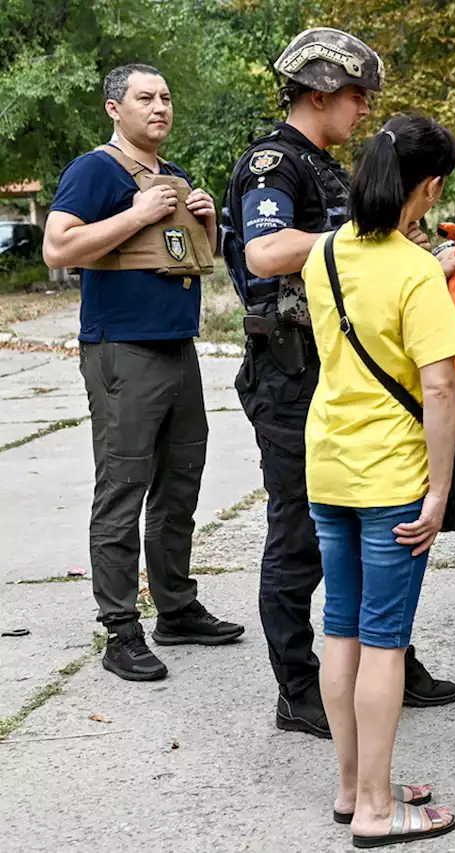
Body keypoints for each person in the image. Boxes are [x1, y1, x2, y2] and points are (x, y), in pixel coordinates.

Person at [221, 28, 455, 739]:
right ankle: (299, 686)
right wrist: (356, 244)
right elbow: (264, 253)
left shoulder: (327, 167)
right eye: (357, 96)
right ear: (319, 93)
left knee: (383, 520)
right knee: (301, 535)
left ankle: (389, 657)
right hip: (291, 375)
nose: (364, 110)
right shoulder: (274, 164)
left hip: (345, 372)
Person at [43, 64, 243, 682]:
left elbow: (190, 263)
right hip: (120, 351)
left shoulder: (174, 178)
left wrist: (203, 223)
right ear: (114, 108)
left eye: (165, 97)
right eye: (144, 98)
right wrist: (137, 212)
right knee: (123, 486)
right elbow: (58, 247)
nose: (159, 107)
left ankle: (176, 609)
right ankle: (120, 629)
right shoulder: (95, 169)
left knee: (181, 483)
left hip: (177, 349)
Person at [301, 115, 455, 845]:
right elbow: (439, 390)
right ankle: (375, 808)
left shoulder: (323, 255)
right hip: (391, 476)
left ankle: (352, 786)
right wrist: (437, 490)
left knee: (340, 627)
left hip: (329, 465)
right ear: (427, 188)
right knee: (384, 640)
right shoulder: (416, 269)